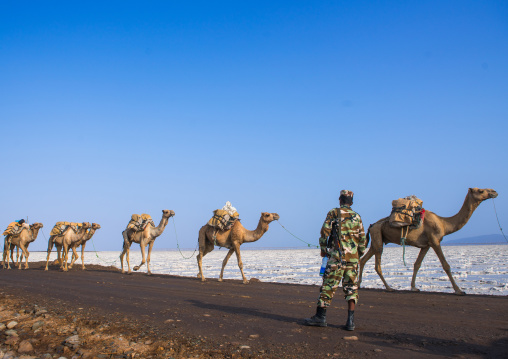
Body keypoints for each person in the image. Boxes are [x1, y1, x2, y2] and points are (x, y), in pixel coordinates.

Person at [304, 190, 367, 331]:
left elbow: (324, 232)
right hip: (353, 260)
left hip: (337, 258)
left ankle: (321, 317)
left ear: (340, 200)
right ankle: (350, 322)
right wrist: (357, 255)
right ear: (351, 202)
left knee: (328, 286)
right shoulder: (357, 217)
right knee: (351, 289)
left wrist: (323, 249)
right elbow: (363, 240)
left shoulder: (333, 213)